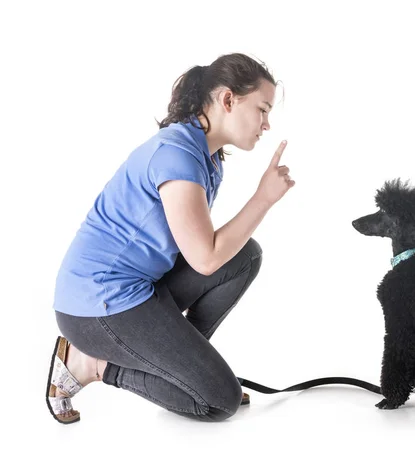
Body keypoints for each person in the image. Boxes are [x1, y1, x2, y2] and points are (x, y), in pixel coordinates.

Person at [46, 53, 295, 424]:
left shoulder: (206, 156)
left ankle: (188, 371)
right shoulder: (177, 154)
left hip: (139, 287)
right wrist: (263, 199)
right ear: (228, 100)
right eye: (262, 109)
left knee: (246, 255)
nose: (267, 124)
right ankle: (91, 365)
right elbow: (206, 259)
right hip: (95, 308)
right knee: (219, 401)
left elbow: (207, 250)